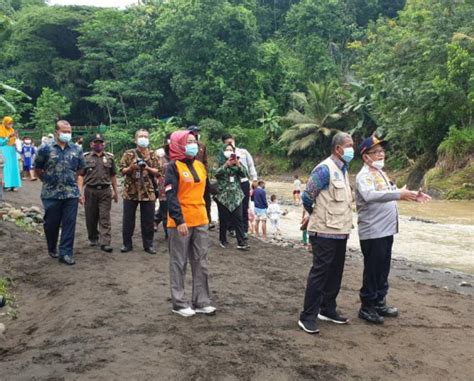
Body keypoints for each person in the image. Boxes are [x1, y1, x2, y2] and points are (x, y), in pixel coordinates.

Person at [356, 136, 431, 324]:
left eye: (382, 151)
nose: (381, 154)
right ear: (366, 157)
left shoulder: (380, 173)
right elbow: (370, 195)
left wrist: (412, 195)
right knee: (373, 270)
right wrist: (399, 194)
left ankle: (380, 301)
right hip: (373, 231)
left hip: (386, 230)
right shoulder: (363, 176)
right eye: (376, 152)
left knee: (383, 268)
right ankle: (367, 307)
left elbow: (392, 191)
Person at [298, 132, 354, 334]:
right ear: (338, 149)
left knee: (335, 272)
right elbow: (307, 196)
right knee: (320, 273)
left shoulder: (344, 170)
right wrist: (315, 215)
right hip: (323, 231)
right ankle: (307, 317)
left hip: (340, 231)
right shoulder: (324, 169)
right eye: (348, 145)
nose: (351, 149)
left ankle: (328, 309)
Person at [165, 130, 215, 317]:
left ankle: (201, 301)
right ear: (179, 144)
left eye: (195, 141)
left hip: (200, 219)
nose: (194, 145)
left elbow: (207, 192)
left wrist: (209, 217)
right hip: (181, 222)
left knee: (201, 262)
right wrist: (179, 220)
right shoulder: (172, 167)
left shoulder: (201, 166)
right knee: (179, 262)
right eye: (189, 141)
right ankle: (179, 302)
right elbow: (170, 196)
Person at [34, 120, 85, 265]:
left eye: (69, 132)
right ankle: (52, 246)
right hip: (51, 193)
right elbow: (37, 168)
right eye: (64, 131)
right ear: (57, 132)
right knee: (51, 223)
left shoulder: (77, 149)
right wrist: (47, 180)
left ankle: (66, 253)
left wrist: (76, 186)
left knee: (69, 223)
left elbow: (81, 170)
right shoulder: (45, 149)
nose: (67, 134)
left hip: (71, 194)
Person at [120, 129, 161, 254]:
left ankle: (148, 245)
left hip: (148, 191)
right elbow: (121, 170)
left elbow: (159, 172)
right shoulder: (128, 154)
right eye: (141, 136)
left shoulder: (154, 155)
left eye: (145, 136)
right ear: (135, 139)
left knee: (148, 220)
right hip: (130, 191)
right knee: (128, 219)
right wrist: (131, 167)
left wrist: (147, 167)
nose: (143, 138)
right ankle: (127, 244)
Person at [78, 134, 119, 253]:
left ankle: (105, 242)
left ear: (104, 144)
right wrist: (80, 193)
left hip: (105, 191)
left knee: (104, 217)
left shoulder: (110, 158)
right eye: (96, 142)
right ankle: (93, 237)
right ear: (91, 144)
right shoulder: (85, 158)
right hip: (90, 190)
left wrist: (115, 192)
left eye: (100, 142)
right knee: (91, 217)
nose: (98, 145)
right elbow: (81, 175)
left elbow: (113, 175)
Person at [215, 143, 250, 250]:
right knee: (223, 219)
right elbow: (216, 173)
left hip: (236, 196)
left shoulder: (237, 163)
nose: (229, 151)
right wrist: (226, 164)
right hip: (223, 196)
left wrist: (238, 164)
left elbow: (245, 174)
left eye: (231, 150)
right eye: (227, 149)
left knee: (238, 218)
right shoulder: (220, 162)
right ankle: (223, 240)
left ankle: (241, 242)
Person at [221, 133, 258, 236]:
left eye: (231, 141)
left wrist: (254, 179)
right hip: (230, 183)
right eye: (227, 142)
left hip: (244, 182)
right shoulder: (223, 155)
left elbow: (251, 165)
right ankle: (231, 228)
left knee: (244, 206)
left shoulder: (243, 152)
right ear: (223, 143)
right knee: (231, 206)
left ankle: (244, 230)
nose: (230, 143)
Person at [187, 125, 214, 230]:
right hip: (189, 176)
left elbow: (205, 161)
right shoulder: (186, 146)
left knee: (206, 198)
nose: (196, 134)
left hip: (202, 176)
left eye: (197, 132)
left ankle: (208, 220)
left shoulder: (202, 146)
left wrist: (205, 173)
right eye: (194, 132)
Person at [0, 116, 21, 191]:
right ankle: (6, 185)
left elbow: (15, 139)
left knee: (13, 167)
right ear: (5, 122)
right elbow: (1, 142)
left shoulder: (12, 130)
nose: (10, 124)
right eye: (9, 123)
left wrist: (15, 141)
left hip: (12, 150)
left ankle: (14, 185)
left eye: (11, 123)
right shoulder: (0, 129)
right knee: (6, 168)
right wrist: (8, 137)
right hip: (4, 150)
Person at [154, 143, 170, 239]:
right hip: (163, 188)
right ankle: (167, 233)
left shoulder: (177, 157)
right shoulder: (160, 155)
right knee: (165, 212)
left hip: (173, 188)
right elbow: (157, 171)